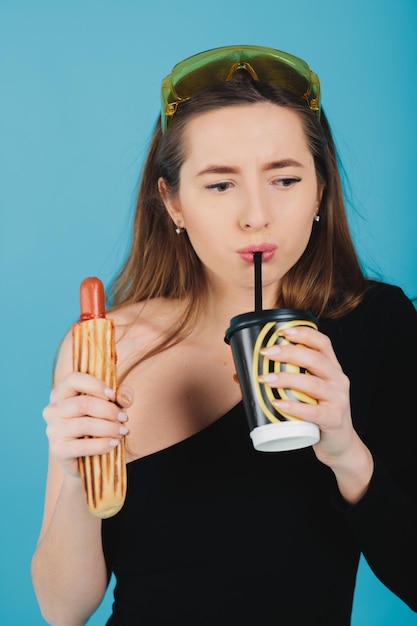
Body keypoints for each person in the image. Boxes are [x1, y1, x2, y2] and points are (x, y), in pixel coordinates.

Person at [31, 45, 417, 625]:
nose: (256, 215)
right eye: (219, 186)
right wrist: (73, 469)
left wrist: (348, 455)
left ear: (320, 192)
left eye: (285, 179)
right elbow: (62, 610)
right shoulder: (106, 346)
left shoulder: (377, 323)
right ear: (172, 202)